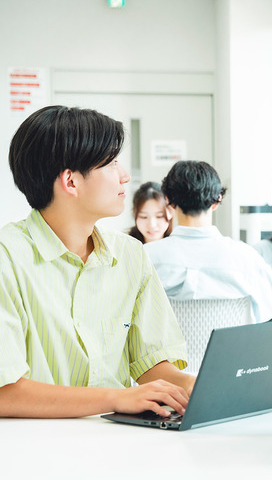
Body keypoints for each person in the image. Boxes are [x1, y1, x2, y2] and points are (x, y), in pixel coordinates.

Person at [0, 105, 193, 419]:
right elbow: (4, 392)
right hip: (33, 447)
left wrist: (192, 384)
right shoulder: (7, 257)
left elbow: (151, 364)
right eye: (112, 163)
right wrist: (116, 398)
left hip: (115, 444)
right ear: (71, 182)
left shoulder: (131, 254)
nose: (125, 176)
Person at [145, 160, 272, 322]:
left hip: (164, 348)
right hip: (230, 348)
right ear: (217, 200)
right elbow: (265, 314)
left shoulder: (145, 257)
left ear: (169, 201)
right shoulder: (249, 259)